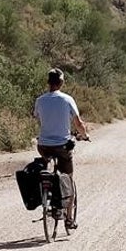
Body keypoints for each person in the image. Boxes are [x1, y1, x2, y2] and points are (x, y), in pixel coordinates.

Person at [34, 68, 89, 228]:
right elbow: (78, 123)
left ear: (48, 82)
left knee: (47, 166)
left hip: (43, 145)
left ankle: (47, 192)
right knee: (68, 178)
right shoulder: (67, 99)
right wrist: (84, 135)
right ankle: (69, 219)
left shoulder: (40, 100)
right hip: (62, 145)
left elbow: (38, 118)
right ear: (62, 82)